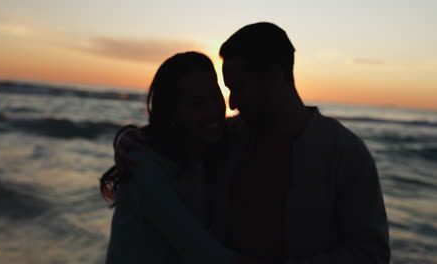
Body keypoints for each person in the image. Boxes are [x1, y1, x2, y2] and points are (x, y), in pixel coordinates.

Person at [114, 22, 391, 263]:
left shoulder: (343, 152)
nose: (231, 103)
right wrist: (127, 136)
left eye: (237, 87)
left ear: (274, 77)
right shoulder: (231, 137)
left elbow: (371, 253)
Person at [102, 52, 260, 264]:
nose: (212, 111)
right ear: (172, 111)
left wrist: (123, 134)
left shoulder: (207, 146)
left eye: (215, 96)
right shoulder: (144, 163)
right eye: (197, 104)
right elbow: (201, 250)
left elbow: (266, 117)